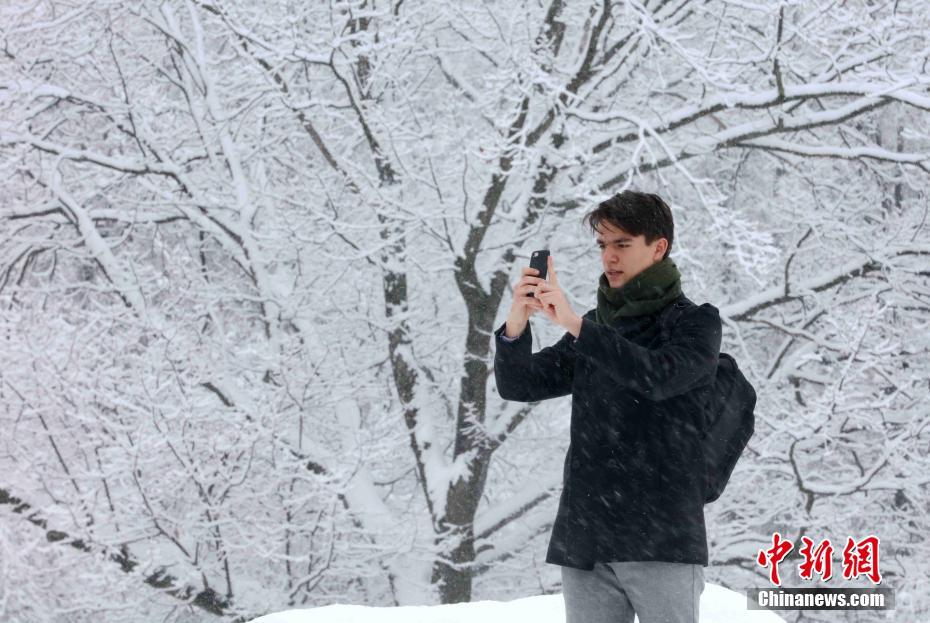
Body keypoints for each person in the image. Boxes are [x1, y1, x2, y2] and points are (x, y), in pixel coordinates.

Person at [493, 190, 722, 623]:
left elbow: (658, 376)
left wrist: (575, 324)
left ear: (658, 247)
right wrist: (517, 320)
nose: (609, 256)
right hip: (587, 536)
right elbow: (520, 383)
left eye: (622, 244)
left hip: (662, 536)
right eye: (602, 244)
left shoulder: (694, 322)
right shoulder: (596, 326)